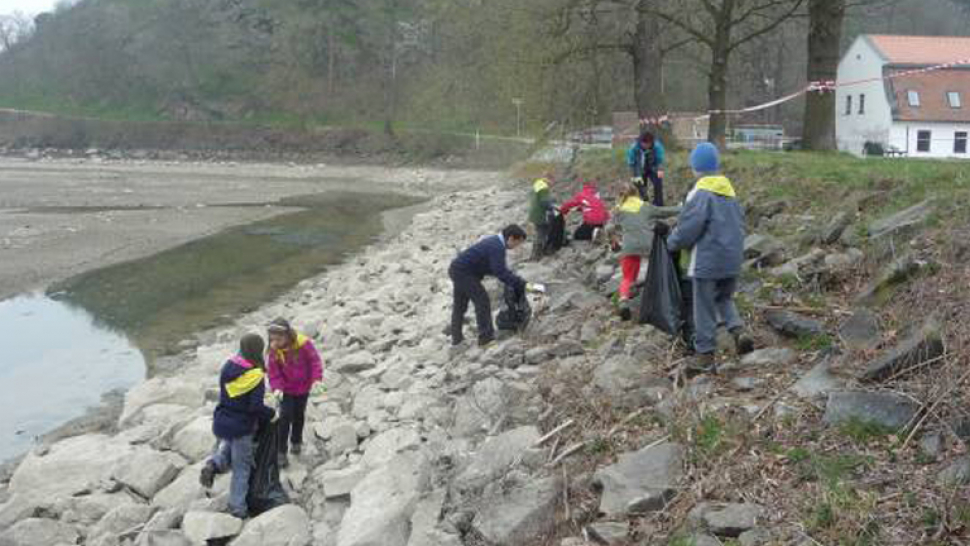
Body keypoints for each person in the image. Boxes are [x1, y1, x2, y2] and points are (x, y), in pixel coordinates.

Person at [666, 143, 754, 375]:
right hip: (732, 258)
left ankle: (704, 355)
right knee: (724, 298)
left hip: (707, 260)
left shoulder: (700, 193)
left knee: (703, 307)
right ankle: (738, 331)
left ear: (696, 168)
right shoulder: (730, 192)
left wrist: (671, 243)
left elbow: (688, 229)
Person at [200, 333, 275, 519]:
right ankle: (238, 508)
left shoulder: (229, 366)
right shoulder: (255, 377)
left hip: (222, 421)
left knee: (229, 449)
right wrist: (271, 414)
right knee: (242, 467)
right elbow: (255, 407)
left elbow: (229, 395)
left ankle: (213, 464)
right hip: (242, 427)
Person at [449, 224, 529, 347]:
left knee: (460, 306)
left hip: (458, 269)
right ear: (511, 238)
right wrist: (522, 284)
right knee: (482, 301)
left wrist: (511, 278)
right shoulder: (497, 247)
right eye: (518, 243)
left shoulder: (495, 242)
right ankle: (485, 339)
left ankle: (457, 340)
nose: (516, 247)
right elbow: (500, 272)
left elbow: (492, 267)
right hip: (464, 273)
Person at [610, 183, 681, 320]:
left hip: (630, 246)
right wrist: (682, 208)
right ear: (637, 193)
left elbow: (608, 228)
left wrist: (614, 240)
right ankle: (661, 297)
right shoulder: (645, 206)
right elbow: (664, 211)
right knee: (659, 269)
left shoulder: (618, 210)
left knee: (628, 277)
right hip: (649, 244)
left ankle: (624, 301)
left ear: (621, 196)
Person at [266, 318, 323, 468]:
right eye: (273, 339)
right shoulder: (274, 350)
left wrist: (316, 379)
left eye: (279, 339)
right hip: (285, 390)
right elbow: (273, 373)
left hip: (303, 387)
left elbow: (314, 361)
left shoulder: (303, 344)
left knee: (299, 415)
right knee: (285, 417)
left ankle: (296, 441)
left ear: (288, 335)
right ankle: (281, 451)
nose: (276, 342)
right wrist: (277, 388)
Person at [626, 130, 667, 206]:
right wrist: (632, 175)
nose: (646, 146)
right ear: (641, 142)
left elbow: (660, 161)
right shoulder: (634, 148)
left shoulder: (657, 146)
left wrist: (660, 172)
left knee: (658, 183)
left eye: (648, 144)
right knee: (640, 185)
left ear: (651, 142)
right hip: (639, 167)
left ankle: (659, 203)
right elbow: (631, 162)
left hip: (653, 166)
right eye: (644, 144)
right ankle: (644, 202)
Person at [528, 176, 557, 259]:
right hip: (542, 215)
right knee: (543, 233)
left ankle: (535, 253)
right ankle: (539, 254)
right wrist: (553, 207)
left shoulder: (537, 185)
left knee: (539, 233)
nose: (552, 184)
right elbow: (544, 202)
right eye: (552, 181)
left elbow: (539, 199)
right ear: (548, 179)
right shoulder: (544, 188)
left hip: (534, 214)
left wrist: (551, 200)